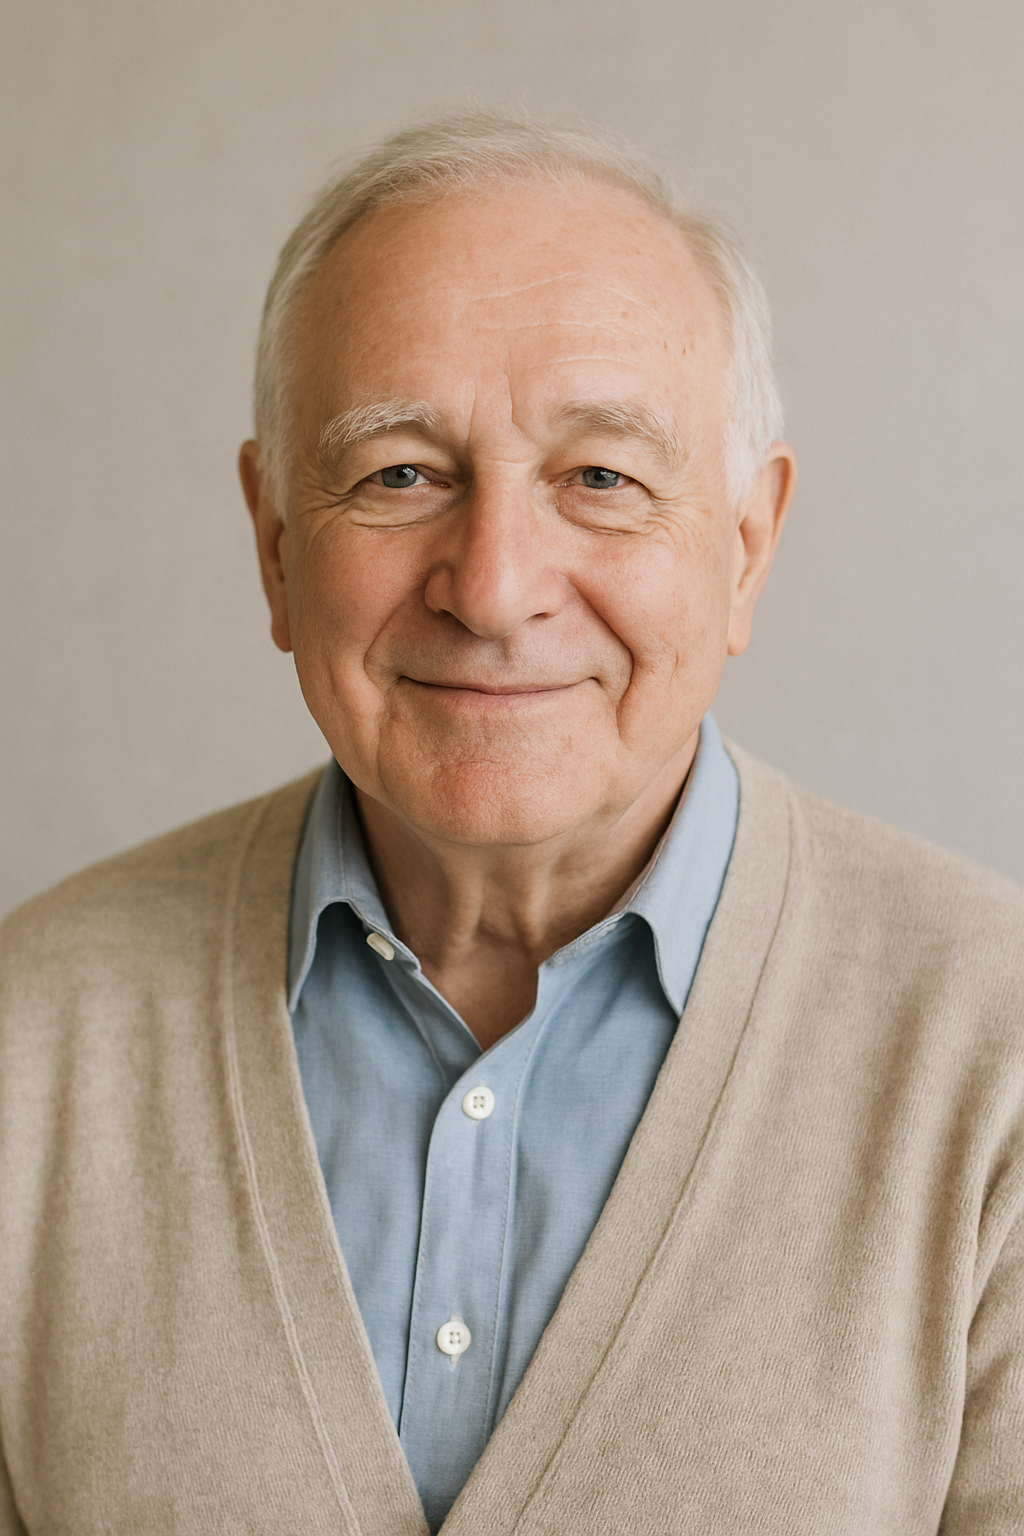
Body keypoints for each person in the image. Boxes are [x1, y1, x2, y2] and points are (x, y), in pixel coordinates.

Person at [1, 113, 1022, 1536]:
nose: (492, 587)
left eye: (602, 478)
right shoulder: (30, 1032)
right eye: (399, 473)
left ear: (745, 549)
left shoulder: (995, 1053)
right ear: (276, 545)